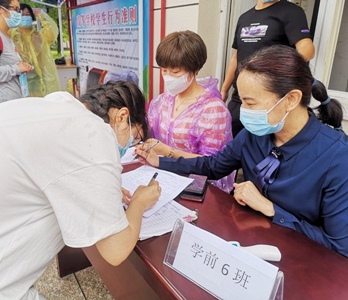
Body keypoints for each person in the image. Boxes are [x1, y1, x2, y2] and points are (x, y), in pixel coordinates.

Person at [0, 81, 161, 299]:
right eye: (133, 138)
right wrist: (139, 201)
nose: (128, 147)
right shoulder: (96, 132)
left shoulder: (61, 107)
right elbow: (116, 250)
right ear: (122, 116)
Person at [136, 45, 348, 258]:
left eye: (250, 102)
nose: (242, 111)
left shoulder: (337, 157)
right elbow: (213, 166)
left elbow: (339, 246)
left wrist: (271, 209)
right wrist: (160, 162)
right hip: (250, 245)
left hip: (304, 262)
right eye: (241, 101)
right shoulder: (253, 135)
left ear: (291, 99)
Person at [147, 30, 234, 193]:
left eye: (175, 72)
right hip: (162, 181)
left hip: (194, 189)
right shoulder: (162, 101)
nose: (168, 77)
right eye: (164, 70)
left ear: (194, 70)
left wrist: (166, 151)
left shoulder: (212, 110)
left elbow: (211, 164)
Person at [221, 0, 315, 137]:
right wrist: (224, 89)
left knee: (264, 147)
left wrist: (280, 70)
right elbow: (235, 57)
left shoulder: (291, 11)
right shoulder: (244, 17)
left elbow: (307, 49)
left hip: (269, 98)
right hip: (240, 97)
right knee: (234, 143)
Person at [9, 4, 61, 97]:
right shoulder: (13, 35)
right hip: (20, 78)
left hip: (40, 79)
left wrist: (42, 16)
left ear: (32, 17)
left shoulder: (39, 36)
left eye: (28, 14)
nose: (25, 17)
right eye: (21, 15)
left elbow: (52, 34)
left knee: (40, 105)